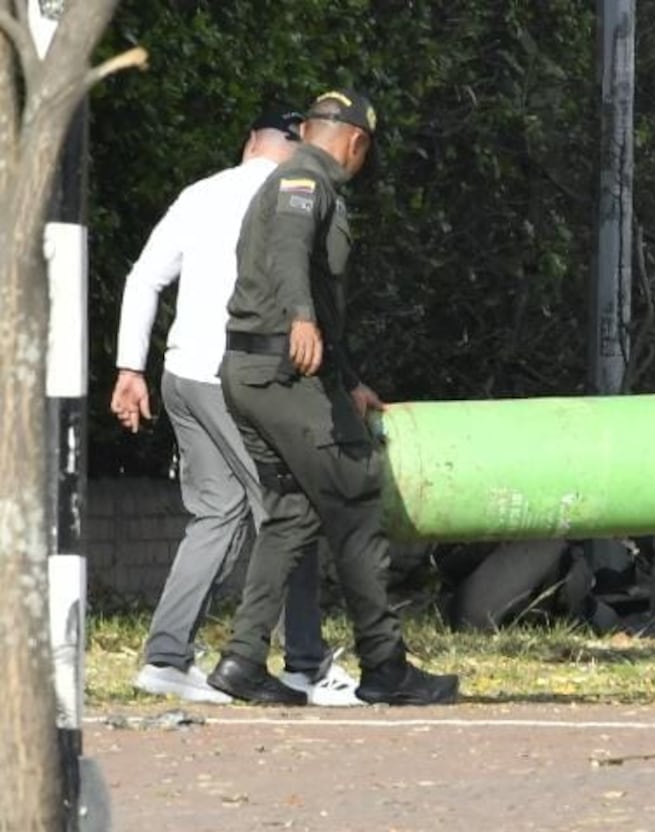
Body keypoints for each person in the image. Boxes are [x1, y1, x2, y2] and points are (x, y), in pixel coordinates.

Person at [206, 88, 460, 706]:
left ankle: (241, 662)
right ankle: (385, 665)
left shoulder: (297, 177)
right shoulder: (306, 180)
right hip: (281, 374)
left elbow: (318, 291)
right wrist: (299, 318)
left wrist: (348, 380)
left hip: (252, 372)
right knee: (355, 498)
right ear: (355, 142)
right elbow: (293, 254)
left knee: (293, 512)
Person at [111, 107, 362, 707]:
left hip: (180, 377)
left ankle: (166, 658)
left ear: (249, 142)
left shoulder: (200, 192)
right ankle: (305, 662)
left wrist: (129, 369)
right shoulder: (298, 194)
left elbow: (144, 277)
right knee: (290, 513)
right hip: (238, 378)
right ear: (302, 143)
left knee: (218, 515)